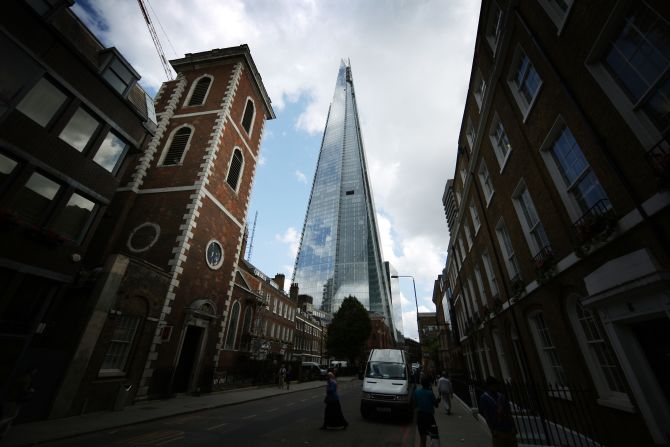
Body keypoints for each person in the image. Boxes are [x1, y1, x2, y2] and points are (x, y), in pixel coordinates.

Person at [478, 376, 518, 447]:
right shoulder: (484, 398)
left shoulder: (501, 396)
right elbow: (487, 415)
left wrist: (513, 426)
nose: (496, 387)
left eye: (496, 385)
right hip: (498, 430)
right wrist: (492, 430)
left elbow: (508, 412)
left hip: (508, 428)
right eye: (493, 385)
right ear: (489, 386)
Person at [414, 377, 439, 447]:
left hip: (420, 417)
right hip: (429, 417)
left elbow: (414, 404)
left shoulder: (416, 392)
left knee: (422, 438)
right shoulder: (430, 393)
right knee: (434, 437)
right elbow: (436, 405)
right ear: (428, 384)